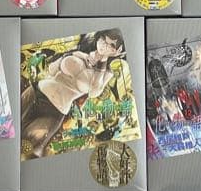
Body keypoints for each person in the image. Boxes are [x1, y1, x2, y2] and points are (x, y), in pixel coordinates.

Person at [20, 30, 126, 158]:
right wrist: (70, 55)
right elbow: (51, 70)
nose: (105, 45)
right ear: (98, 38)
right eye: (104, 40)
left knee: (28, 145)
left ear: (116, 51)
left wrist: (103, 61)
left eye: (111, 45)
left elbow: (93, 92)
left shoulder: (107, 73)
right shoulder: (80, 51)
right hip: (36, 91)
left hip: (54, 111)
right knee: (8, 128)